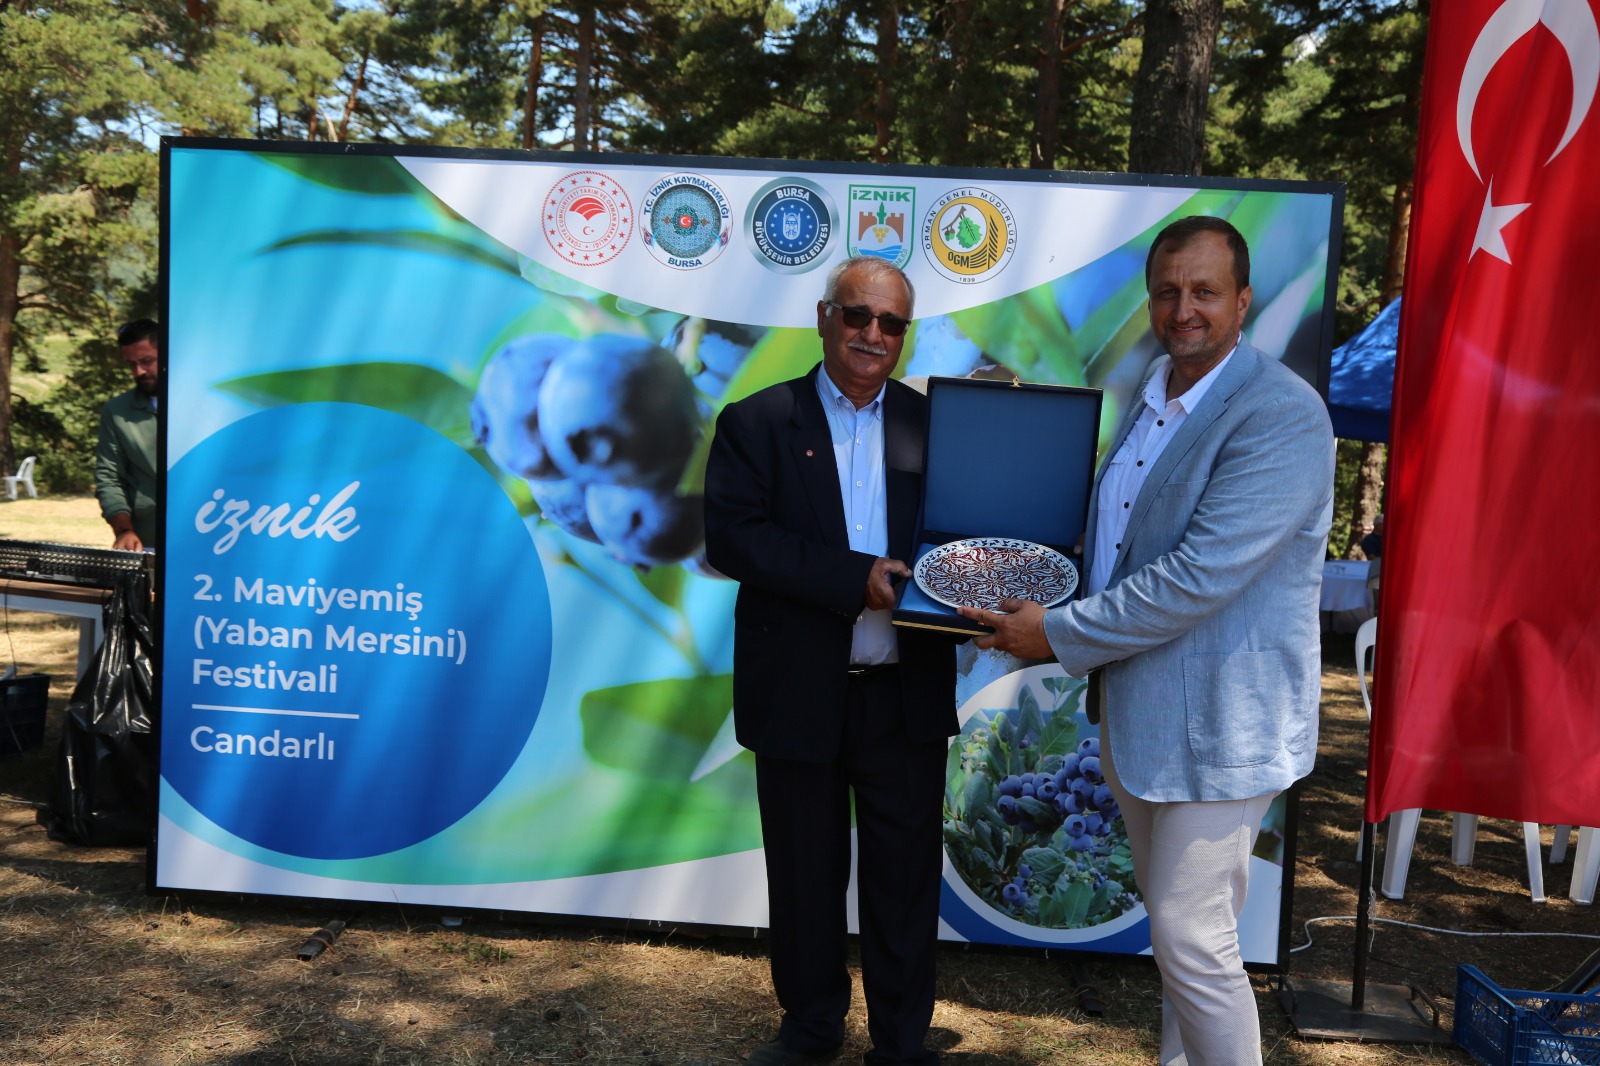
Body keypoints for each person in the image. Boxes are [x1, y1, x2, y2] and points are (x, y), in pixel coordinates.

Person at [957, 216, 1335, 1066]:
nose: (1183, 309)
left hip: (1223, 725)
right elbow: (1120, 542)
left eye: (1205, 291)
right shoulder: (1150, 394)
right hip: (1139, 716)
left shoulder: (1281, 414)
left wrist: (1056, 632)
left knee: (1191, 936)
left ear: (1244, 300)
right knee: (1184, 943)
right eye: (1167, 291)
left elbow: (1199, 576)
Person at [704, 256, 957, 1066]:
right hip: (797, 690)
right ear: (823, 318)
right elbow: (734, 539)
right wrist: (855, 579)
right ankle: (811, 1029)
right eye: (857, 315)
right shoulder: (756, 422)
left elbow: (968, 536)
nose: (872, 334)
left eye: (891, 323)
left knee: (904, 880)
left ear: (904, 335)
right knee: (804, 876)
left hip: (904, 693)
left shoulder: (937, 426)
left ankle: (901, 1042)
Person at [95, 319, 161, 552]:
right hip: (147, 540)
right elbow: (108, 476)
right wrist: (123, 530)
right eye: (131, 364)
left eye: (146, 361)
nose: (139, 371)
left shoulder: (205, 402)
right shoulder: (117, 410)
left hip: (213, 532)